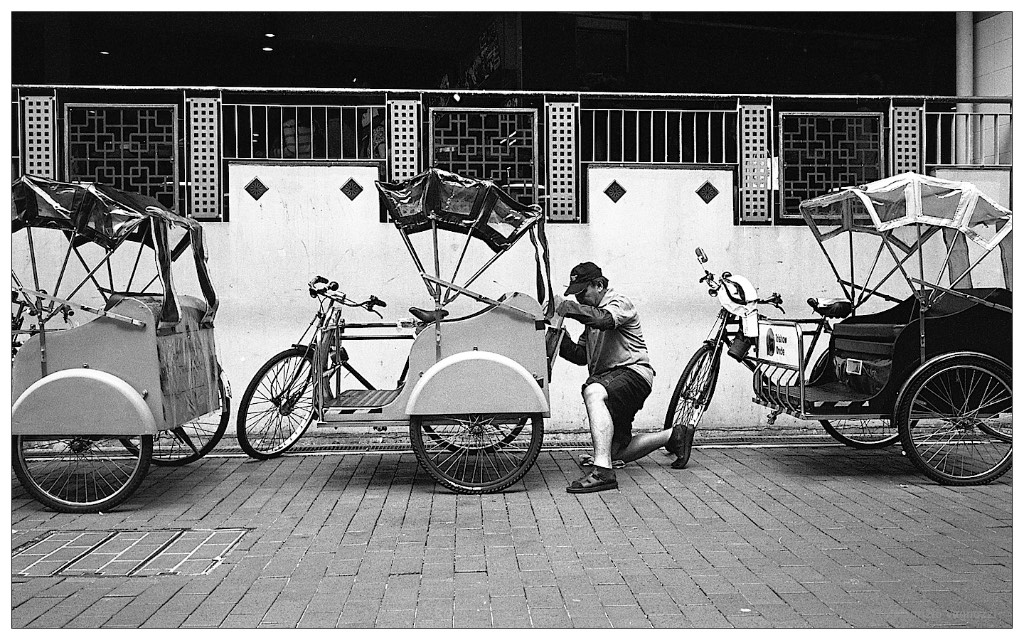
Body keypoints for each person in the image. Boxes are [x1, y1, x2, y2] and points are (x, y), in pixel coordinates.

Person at [555, 261, 694, 494]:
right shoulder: (590, 317)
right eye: (575, 295)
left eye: (582, 292)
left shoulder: (619, 303)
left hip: (633, 374)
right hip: (613, 380)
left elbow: (604, 320)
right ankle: (674, 436)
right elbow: (580, 356)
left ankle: (603, 473)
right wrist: (559, 337)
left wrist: (568, 307)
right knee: (616, 452)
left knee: (593, 391)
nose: (579, 299)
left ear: (599, 285)